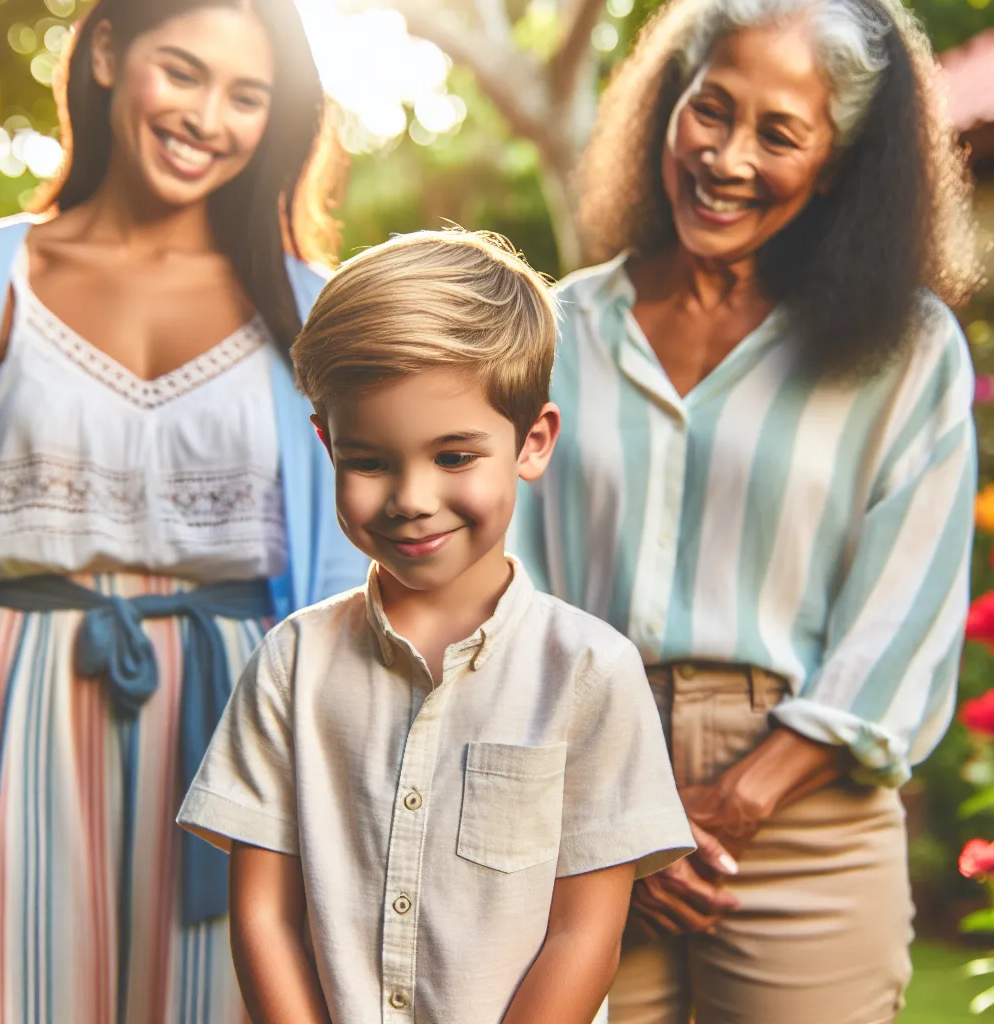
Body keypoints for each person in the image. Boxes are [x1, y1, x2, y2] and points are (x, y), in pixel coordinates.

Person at [509, 0, 980, 1020]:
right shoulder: (561, 330)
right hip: (581, 796)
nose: (723, 157)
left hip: (803, 809)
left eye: (778, 132)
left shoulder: (904, 350)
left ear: (838, 162)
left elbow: (903, 611)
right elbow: (511, 580)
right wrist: (611, 811)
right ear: (666, 105)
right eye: (709, 109)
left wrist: (730, 801)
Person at [177, 230, 696, 1024]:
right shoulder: (291, 664)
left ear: (532, 442)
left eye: (454, 457)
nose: (410, 497)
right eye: (371, 460)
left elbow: (585, 932)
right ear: (327, 442)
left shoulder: (591, 672)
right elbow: (264, 916)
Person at [0, 1, 365, 1020]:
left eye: (246, 95)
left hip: (241, 718)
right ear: (106, 52)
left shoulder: (316, 310)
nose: (208, 117)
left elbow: (362, 560)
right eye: (182, 72)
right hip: (6, 707)